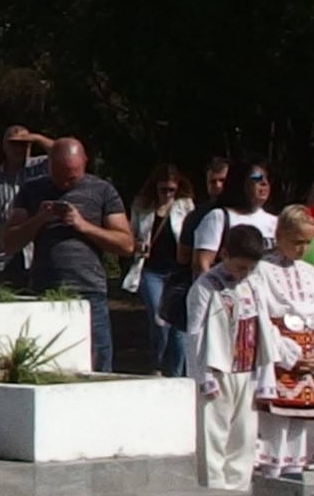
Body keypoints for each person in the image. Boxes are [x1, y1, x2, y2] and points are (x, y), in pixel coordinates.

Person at [19, 136, 131, 370]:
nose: (65, 184)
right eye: (59, 177)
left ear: (85, 163)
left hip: (89, 290)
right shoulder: (31, 189)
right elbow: (8, 241)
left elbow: (126, 245)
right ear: (49, 164)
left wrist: (84, 226)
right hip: (45, 291)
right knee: (46, 364)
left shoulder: (102, 190)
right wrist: (39, 219)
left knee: (98, 362)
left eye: (72, 178)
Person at [252, 208, 314, 476]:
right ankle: (271, 477)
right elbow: (260, 316)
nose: (303, 249)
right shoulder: (261, 270)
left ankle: (296, 472)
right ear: (279, 236)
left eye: (307, 242)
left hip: (309, 357)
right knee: (275, 424)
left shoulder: (310, 273)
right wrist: (288, 353)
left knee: (302, 425)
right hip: (279, 354)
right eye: (296, 242)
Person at [189, 225, 267, 489]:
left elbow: (263, 325)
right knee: (213, 432)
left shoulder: (254, 283)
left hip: (247, 367)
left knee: (244, 434)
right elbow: (195, 333)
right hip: (217, 368)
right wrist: (202, 375)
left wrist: (265, 371)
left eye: (250, 268)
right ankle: (213, 489)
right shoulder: (206, 286)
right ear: (224, 254)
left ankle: (239, 489)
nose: (244, 273)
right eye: (240, 267)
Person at [128, 162, 198, 376]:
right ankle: (157, 364)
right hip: (151, 271)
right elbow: (129, 236)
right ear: (155, 187)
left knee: (179, 326)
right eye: (163, 189)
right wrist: (139, 246)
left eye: (171, 190)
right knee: (159, 321)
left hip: (177, 272)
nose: (167, 194)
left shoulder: (185, 206)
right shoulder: (142, 205)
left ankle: (176, 373)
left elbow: (192, 235)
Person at [192, 162, 278, 274]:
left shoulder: (275, 222)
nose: (264, 183)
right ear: (240, 182)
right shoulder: (219, 217)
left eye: (267, 178)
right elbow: (202, 264)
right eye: (257, 178)